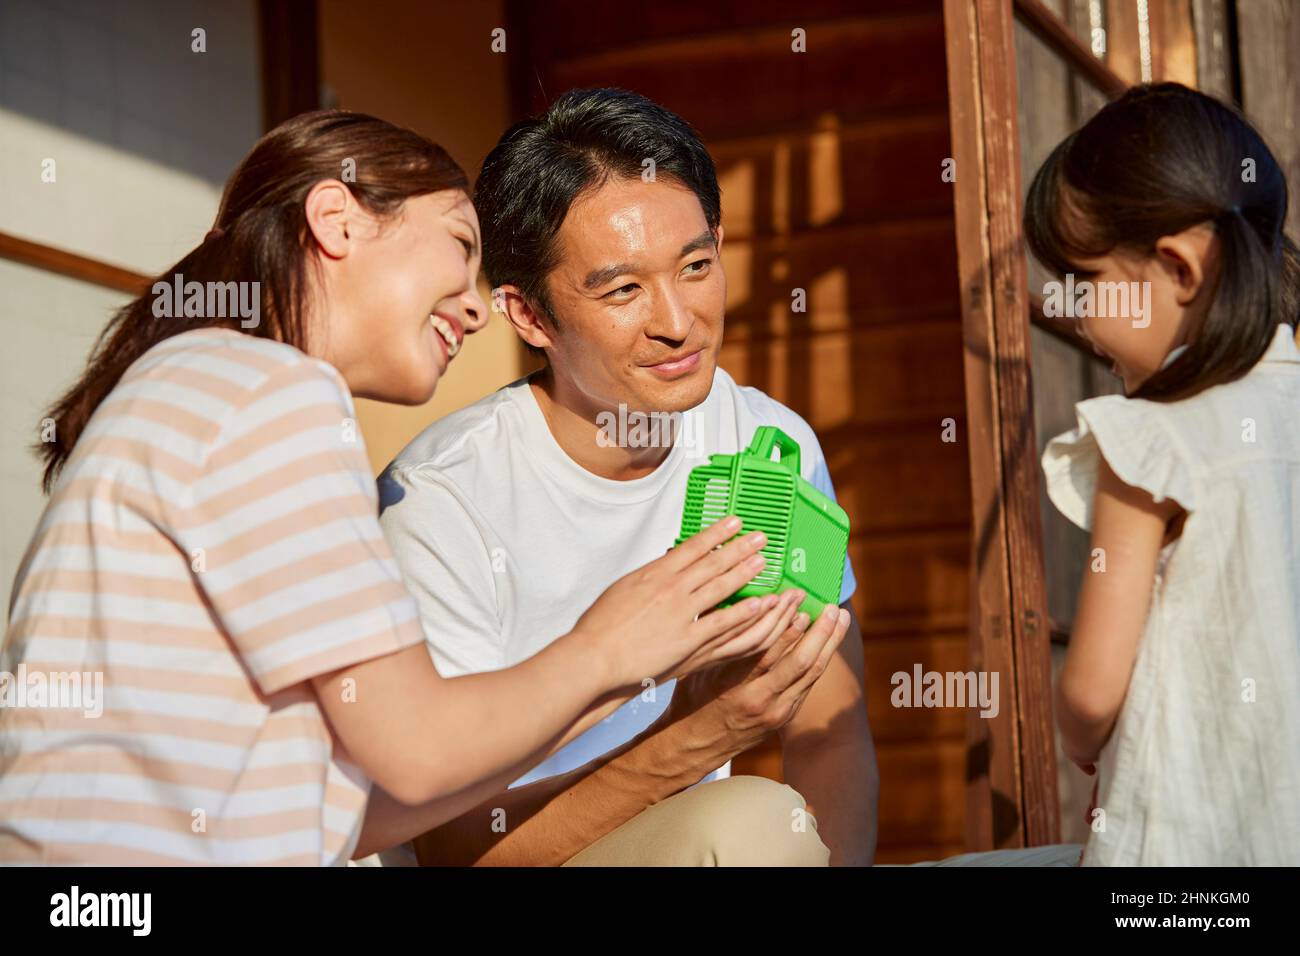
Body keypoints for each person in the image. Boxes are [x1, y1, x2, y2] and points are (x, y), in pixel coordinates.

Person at [0, 110, 804, 865]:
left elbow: (374, 802)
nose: (474, 306)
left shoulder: (206, 383)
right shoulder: (266, 391)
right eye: (459, 245)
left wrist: (644, 674)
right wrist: (608, 648)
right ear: (337, 221)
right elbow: (420, 754)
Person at [373, 88, 869, 867]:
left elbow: (830, 726)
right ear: (529, 315)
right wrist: (697, 735)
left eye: (697, 266)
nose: (678, 320)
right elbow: (454, 846)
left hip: (678, 844)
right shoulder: (441, 503)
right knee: (752, 826)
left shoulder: (765, 441)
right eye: (622, 289)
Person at [1029, 83, 1300, 864]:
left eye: (1085, 281)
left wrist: (1083, 739)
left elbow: (1089, 691)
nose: (1075, 314)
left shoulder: (1152, 439)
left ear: (1179, 268)